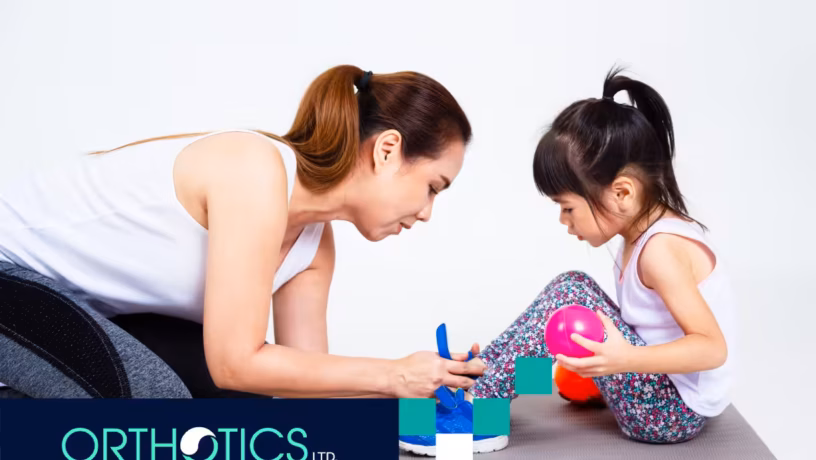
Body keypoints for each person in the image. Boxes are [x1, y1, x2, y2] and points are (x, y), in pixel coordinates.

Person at [0, 65, 485, 399]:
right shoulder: (253, 170)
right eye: (432, 187)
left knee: (233, 408)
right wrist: (394, 374)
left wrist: (429, 381)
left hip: (76, 306)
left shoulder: (314, 246)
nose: (426, 213)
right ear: (387, 150)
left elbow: (299, 387)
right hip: (9, 274)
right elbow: (236, 359)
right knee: (157, 403)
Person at [399, 69, 736, 456]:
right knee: (565, 314)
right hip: (673, 400)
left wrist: (626, 359)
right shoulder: (649, 234)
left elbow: (712, 348)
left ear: (621, 192)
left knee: (571, 291)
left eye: (568, 207)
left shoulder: (661, 250)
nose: (564, 220)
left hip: (669, 415)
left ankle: (482, 406)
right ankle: (495, 379)